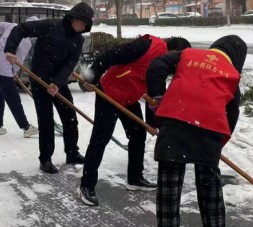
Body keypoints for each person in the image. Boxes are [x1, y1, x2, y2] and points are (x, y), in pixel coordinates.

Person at [146, 35, 247, 227]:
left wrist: (158, 96)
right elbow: (232, 114)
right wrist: (218, 143)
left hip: (174, 118)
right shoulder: (232, 74)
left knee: (169, 179)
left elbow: (156, 65)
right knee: (209, 178)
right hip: (208, 126)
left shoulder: (188, 54)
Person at [77, 35, 191, 207]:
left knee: (138, 135)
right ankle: (86, 185)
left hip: (129, 98)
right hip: (109, 92)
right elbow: (112, 54)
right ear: (173, 51)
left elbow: (154, 92)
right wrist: (92, 76)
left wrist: (153, 124)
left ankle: (135, 178)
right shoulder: (148, 45)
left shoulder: (163, 65)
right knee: (101, 138)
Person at [5, 2, 94, 174]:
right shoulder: (50, 26)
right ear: (73, 18)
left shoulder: (79, 39)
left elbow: (70, 63)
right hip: (39, 79)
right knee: (46, 120)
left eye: (85, 25)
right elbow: (20, 29)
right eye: (81, 23)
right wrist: (10, 49)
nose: (82, 27)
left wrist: (58, 83)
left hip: (58, 83)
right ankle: (45, 159)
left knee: (70, 117)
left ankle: (72, 152)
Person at [0, 17, 39, 138]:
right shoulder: (26, 42)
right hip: (3, 70)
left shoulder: (11, 26)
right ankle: (26, 127)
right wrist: (13, 72)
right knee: (14, 100)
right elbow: (18, 60)